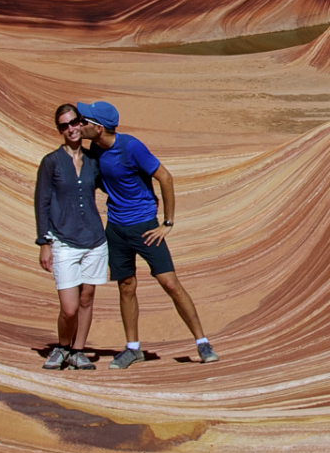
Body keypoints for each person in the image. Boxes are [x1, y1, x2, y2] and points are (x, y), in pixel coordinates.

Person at [74, 100, 216, 368]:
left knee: (170, 283)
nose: (80, 125)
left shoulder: (131, 147)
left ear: (99, 128)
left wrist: (167, 223)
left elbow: (165, 177)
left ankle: (202, 343)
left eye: (85, 122)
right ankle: (133, 348)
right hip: (115, 228)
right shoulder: (94, 148)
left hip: (145, 228)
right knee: (126, 286)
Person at [33, 104, 106, 371]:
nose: (71, 129)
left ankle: (78, 351)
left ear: (81, 123)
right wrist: (44, 243)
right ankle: (62, 346)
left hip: (95, 240)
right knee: (70, 307)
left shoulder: (93, 161)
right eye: (64, 125)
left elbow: (115, 183)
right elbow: (41, 202)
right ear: (59, 130)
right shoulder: (51, 162)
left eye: (74, 122)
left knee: (87, 298)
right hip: (63, 241)